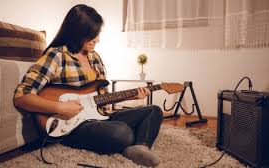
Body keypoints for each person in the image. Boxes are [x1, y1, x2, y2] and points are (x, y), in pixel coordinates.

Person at [13, 4, 163, 167]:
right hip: (72, 125)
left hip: (99, 117)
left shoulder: (95, 58)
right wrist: (59, 107)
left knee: (154, 111)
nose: (97, 40)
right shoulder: (56, 56)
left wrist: (132, 95)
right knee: (122, 132)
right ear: (77, 32)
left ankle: (139, 147)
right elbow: (22, 97)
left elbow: (99, 99)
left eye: (97, 34)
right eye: (92, 35)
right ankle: (132, 137)